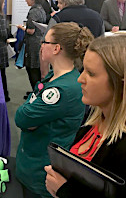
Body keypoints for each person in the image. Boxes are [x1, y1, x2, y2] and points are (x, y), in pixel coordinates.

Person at [45, 35, 126, 197]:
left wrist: (66, 191)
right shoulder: (95, 119)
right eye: (83, 69)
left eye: (91, 73)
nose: (80, 79)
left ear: (121, 83)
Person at [15, 22, 94, 198]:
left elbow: (21, 118)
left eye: (45, 42)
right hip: (32, 163)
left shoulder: (62, 89)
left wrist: (29, 113)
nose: (41, 45)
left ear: (57, 48)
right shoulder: (55, 77)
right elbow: (33, 102)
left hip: (41, 172)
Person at [41, 0, 104, 78]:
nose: (58, 6)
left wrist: (44, 74)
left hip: (64, 68)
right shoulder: (97, 17)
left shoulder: (58, 18)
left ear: (65, 3)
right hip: (92, 64)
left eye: (59, 3)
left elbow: (46, 43)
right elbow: (102, 43)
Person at [17, 0, 46, 99]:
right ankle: (37, 90)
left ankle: (37, 93)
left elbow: (30, 31)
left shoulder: (33, 12)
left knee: (32, 69)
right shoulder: (41, 9)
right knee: (38, 69)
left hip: (33, 44)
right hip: (40, 42)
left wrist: (22, 28)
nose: (25, 0)